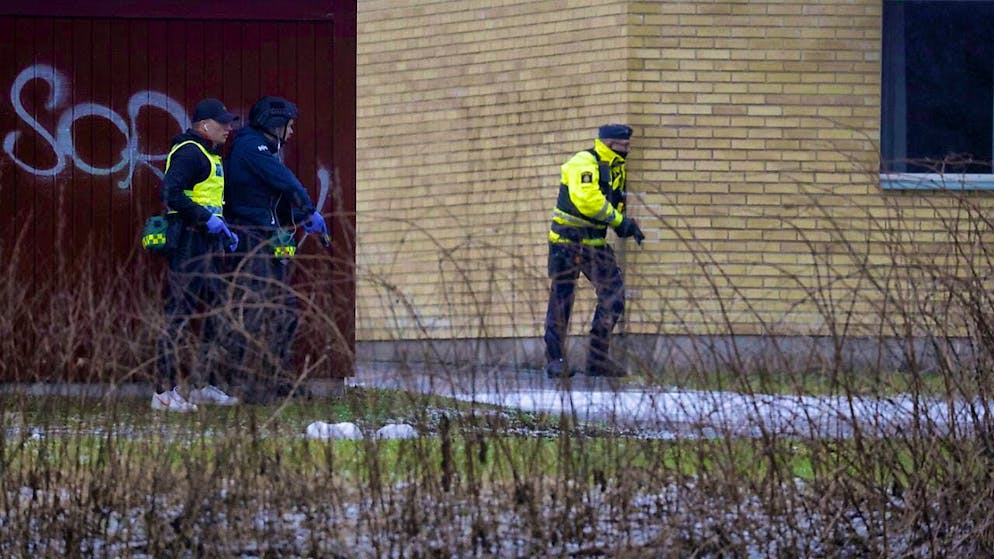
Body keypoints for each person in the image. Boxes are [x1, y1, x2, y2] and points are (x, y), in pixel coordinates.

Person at [222, 96, 329, 402]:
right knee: (256, 311)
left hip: (265, 236)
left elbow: (265, 202)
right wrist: (308, 208)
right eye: (289, 126)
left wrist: (298, 218)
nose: (292, 132)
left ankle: (279, 380)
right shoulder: (250, 146)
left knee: (284, 312)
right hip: (251, 239)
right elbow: (284, 182)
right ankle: (249, 384)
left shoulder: (263, 149)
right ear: (275, 124)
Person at [152, 98, 242, 412]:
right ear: (205, 125)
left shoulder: (208, 153)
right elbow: (170, 192)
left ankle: (204, 384)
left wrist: (223, 230)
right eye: (223, 123)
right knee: (179, 314)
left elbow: (208, 199)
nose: (229, 129)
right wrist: (207, 219)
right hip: (189, 242)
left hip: (207, 242)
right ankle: (163, 393)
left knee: (217, 311)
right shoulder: (190, 152)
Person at [543, 124, 645, 379]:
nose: (628, 149)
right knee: (562, 299)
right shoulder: (584, 162)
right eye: (625, 145)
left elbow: (611, 202)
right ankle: (555, 360)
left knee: (614, 295)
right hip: (566, 242)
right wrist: (620, 222)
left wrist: (624, 224)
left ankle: (597, 360)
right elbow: (588, 201)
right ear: (610, 144)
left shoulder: (615, 168)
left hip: (595, 244)